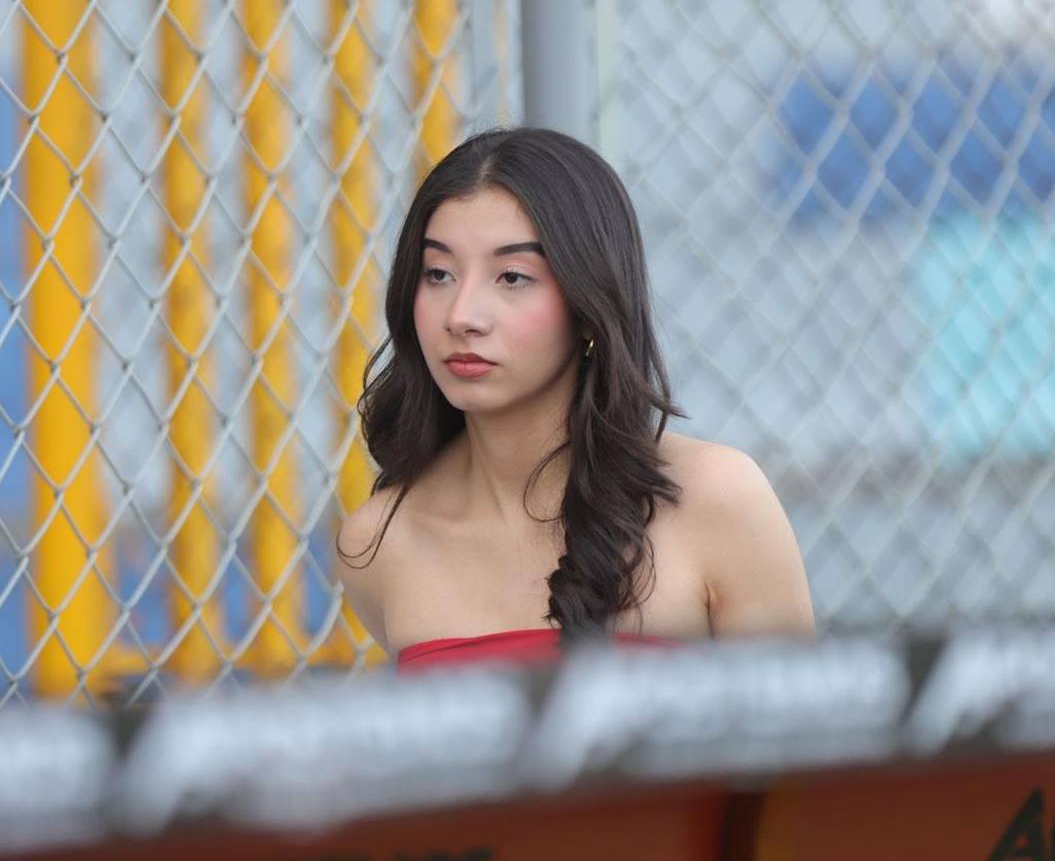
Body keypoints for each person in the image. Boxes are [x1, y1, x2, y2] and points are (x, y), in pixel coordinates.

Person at [334, 127, 814, 671]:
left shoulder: (716, 497)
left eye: (512, 276)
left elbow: (814, 748)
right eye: (438, 273)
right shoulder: (379, 541)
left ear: (588, 303)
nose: (461, 316)